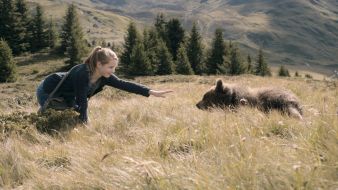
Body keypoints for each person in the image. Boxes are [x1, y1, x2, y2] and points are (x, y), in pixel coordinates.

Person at [36, 46, 172, 123]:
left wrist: (150, 91)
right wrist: (85, 121)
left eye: (114, 68)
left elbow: (123, 84)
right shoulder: (82, 73)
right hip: (48, 90)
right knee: (53, 121)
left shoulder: (104, 76)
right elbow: (81, 100)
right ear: (99, 64)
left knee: (69, 120)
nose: (113, 71)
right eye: (110, 67)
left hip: (67, 95)